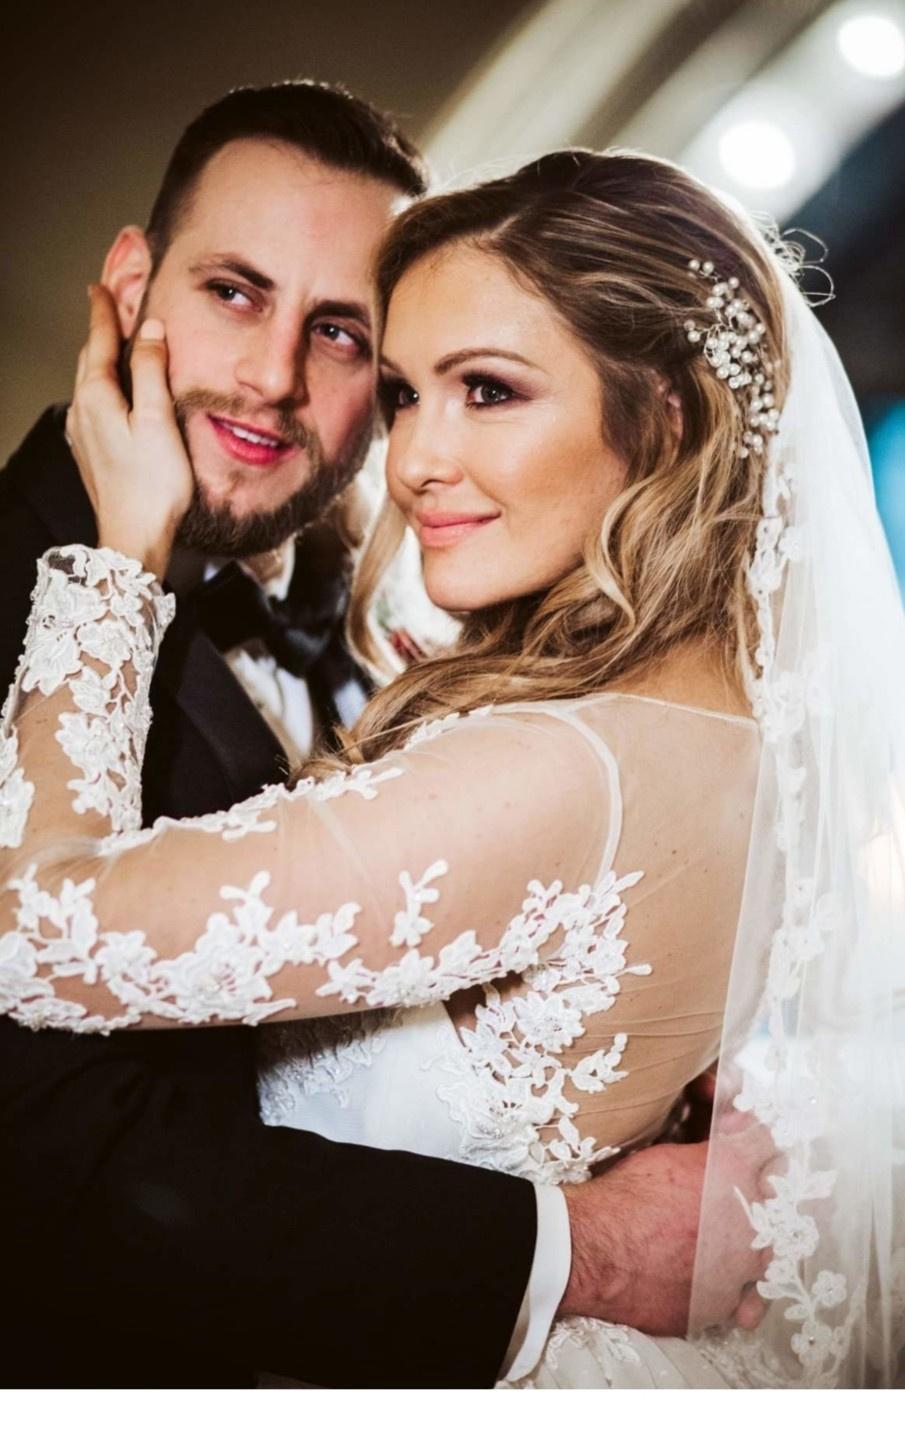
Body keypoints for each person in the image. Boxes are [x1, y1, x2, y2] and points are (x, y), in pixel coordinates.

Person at [0, 89, 755, 1390]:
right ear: (128, 287)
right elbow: (42, 1149)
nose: (273, 377)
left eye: (344, 335)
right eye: (233, 292)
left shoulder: (451, 642)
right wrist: (575, 1249)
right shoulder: (42, 602)